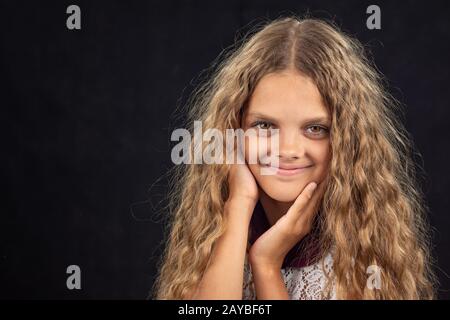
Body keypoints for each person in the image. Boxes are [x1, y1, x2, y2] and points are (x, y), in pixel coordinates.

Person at [152, 15, 436, 299]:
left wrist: (266, 266)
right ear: (234, 131)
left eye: (315, 128)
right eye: (264, 125)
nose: (287, 150)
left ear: (346, 141)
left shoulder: (363, 250)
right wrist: (238, 205)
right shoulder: (212, 230)